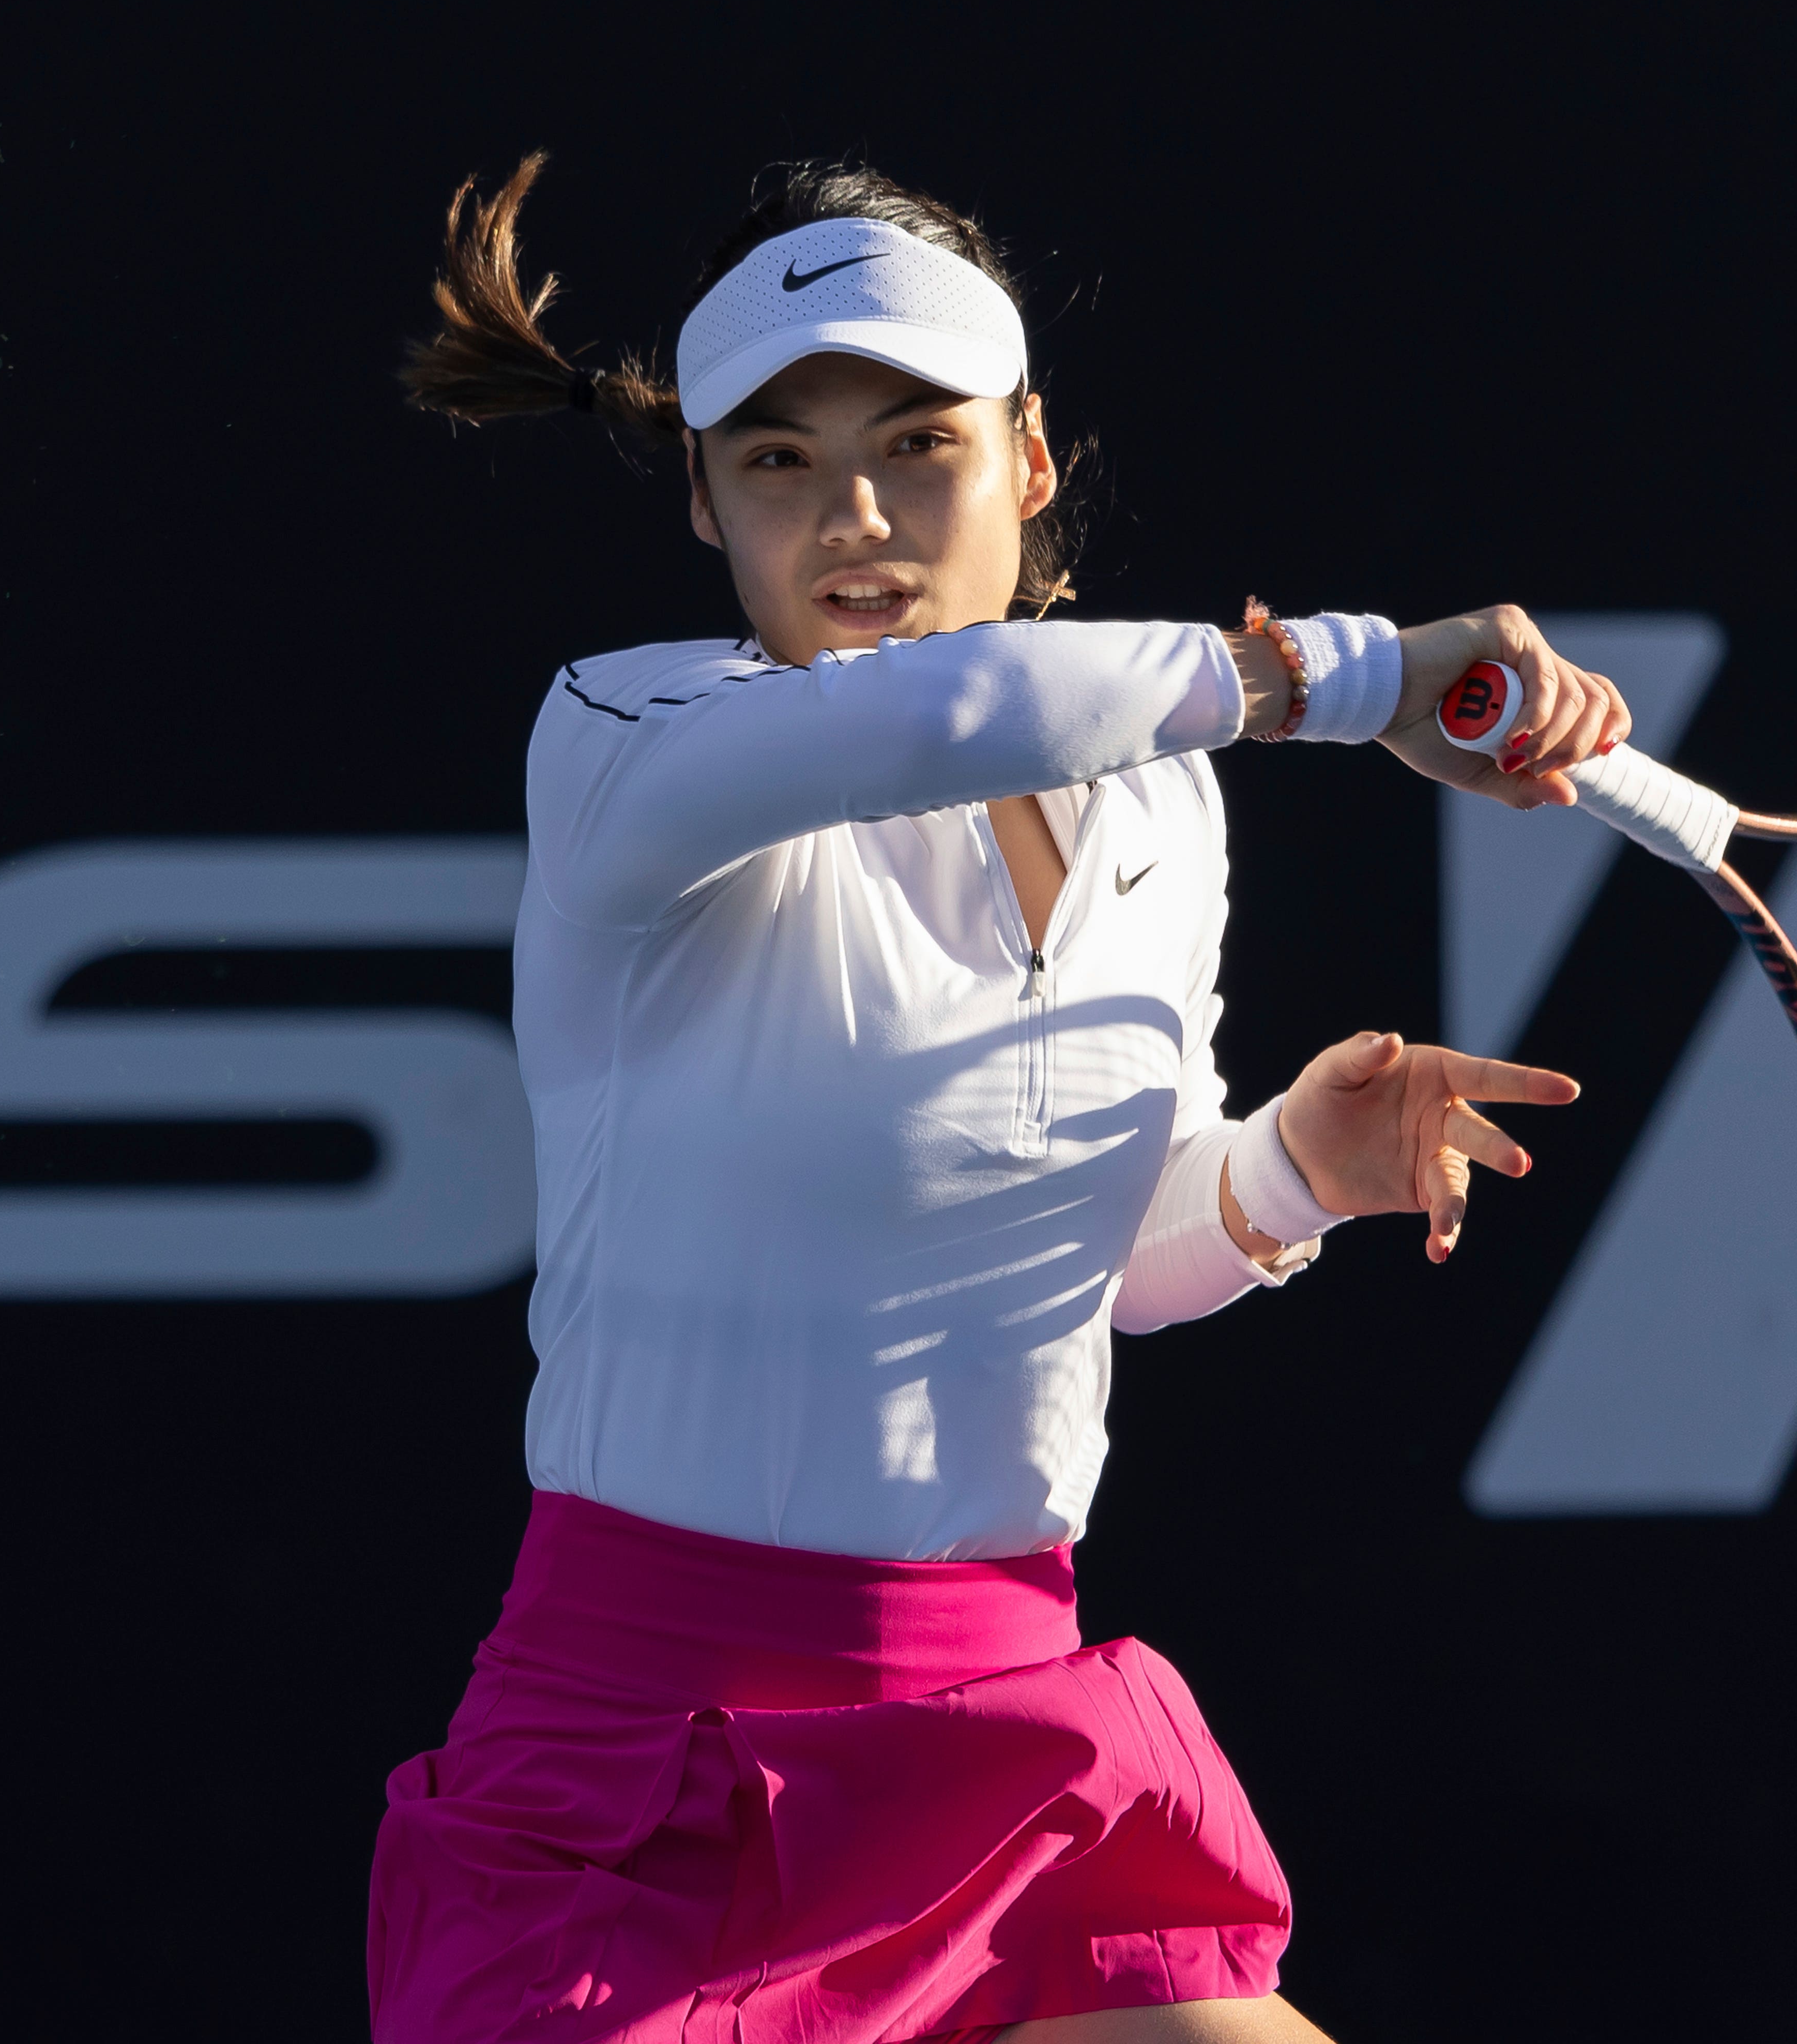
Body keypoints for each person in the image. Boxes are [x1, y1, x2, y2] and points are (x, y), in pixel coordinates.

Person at [369, 153, 1634, 2044]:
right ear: (706, 503)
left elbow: (1100, 1263)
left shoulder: (1159, 807)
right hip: (647, 1780)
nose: (854, 516)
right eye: (779, 460)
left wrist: (1289, 1171)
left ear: (1032, 462)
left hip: (1004, 1742)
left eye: (919, 446)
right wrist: (1349, 674)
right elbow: (935, 714)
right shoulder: (629, 744)